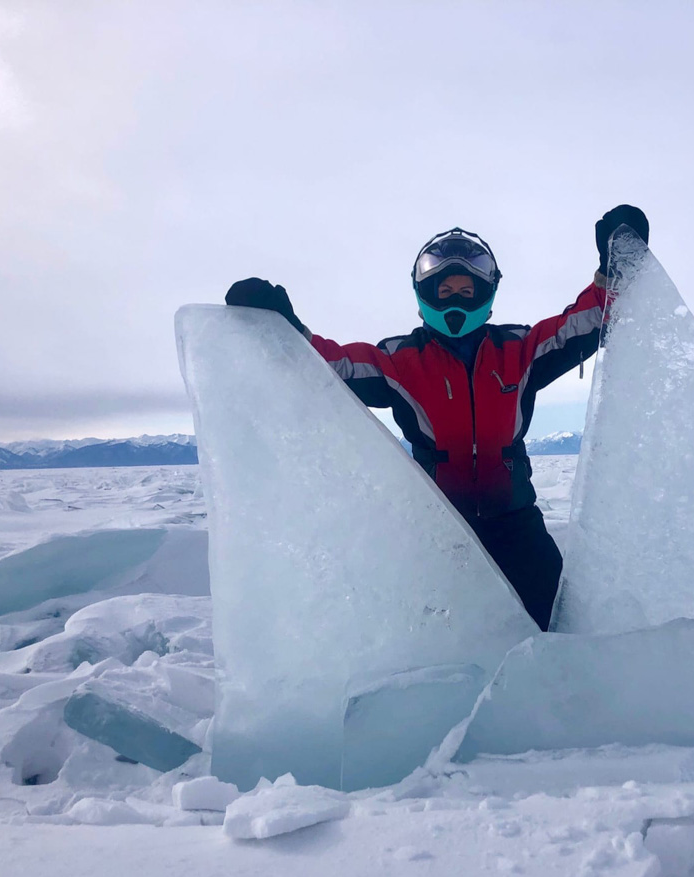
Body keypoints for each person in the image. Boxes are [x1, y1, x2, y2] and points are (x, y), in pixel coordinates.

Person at [225, 205, 649, 630]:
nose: (456, 300)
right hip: (440, 534)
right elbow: (330, 365)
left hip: (517, 526)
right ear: (424, 293)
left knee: (562, 626)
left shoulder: (519, 350)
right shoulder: (398, 360)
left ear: (486, 292)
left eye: (467, 291)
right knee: (444, 643)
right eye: (445, 291)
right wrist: (284, 331)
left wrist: (612, 273)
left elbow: (582, 322)